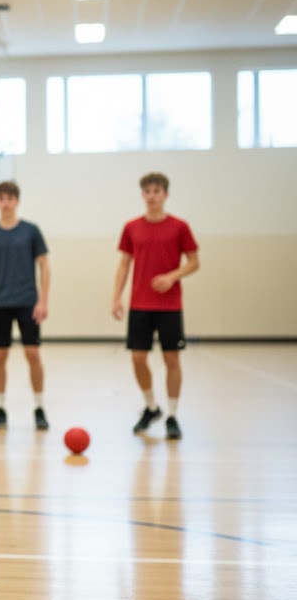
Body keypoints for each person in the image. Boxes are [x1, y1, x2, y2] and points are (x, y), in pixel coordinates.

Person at [112, 172, 199, 440]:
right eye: (147, 191)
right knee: (138, 358)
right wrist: (116, 297)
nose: (152, 195)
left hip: (170, 306)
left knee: (171, 358)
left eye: (157, 191)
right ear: (142, 195)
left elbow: (194, 262)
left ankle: (172, 415)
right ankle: (151, 407)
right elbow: (124, 264)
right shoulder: (131, 227)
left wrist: (172, 276)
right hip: (140, 304)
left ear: (165, 195)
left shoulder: (180, 227)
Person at [0, 181, 51, 432]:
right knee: (0, 355)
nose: (6, 202)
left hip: (28, 301)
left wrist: (43, 299)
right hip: (0, 303)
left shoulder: (31, 231)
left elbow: (45, 265)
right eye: (1, 198)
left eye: (10, 198)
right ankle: (0, 408)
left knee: (33, 354)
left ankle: (39, 408)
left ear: (17, 201)